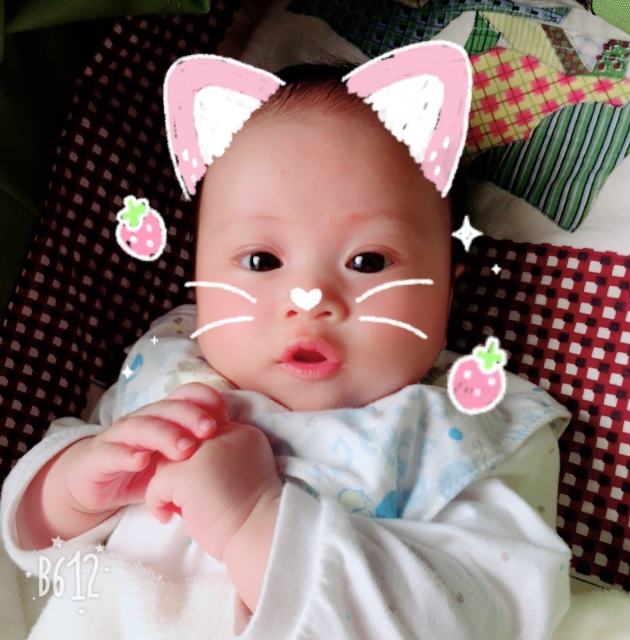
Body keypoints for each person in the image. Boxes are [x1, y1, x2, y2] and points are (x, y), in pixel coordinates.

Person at [1, 61, 573, 639]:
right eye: (261, 261)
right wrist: (71, 488)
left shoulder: (460, 432)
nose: (309, 298)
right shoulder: (168, 368)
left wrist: (253, 522)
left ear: (447, 293)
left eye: (368, 261)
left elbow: (485, 614)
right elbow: (39, 558)